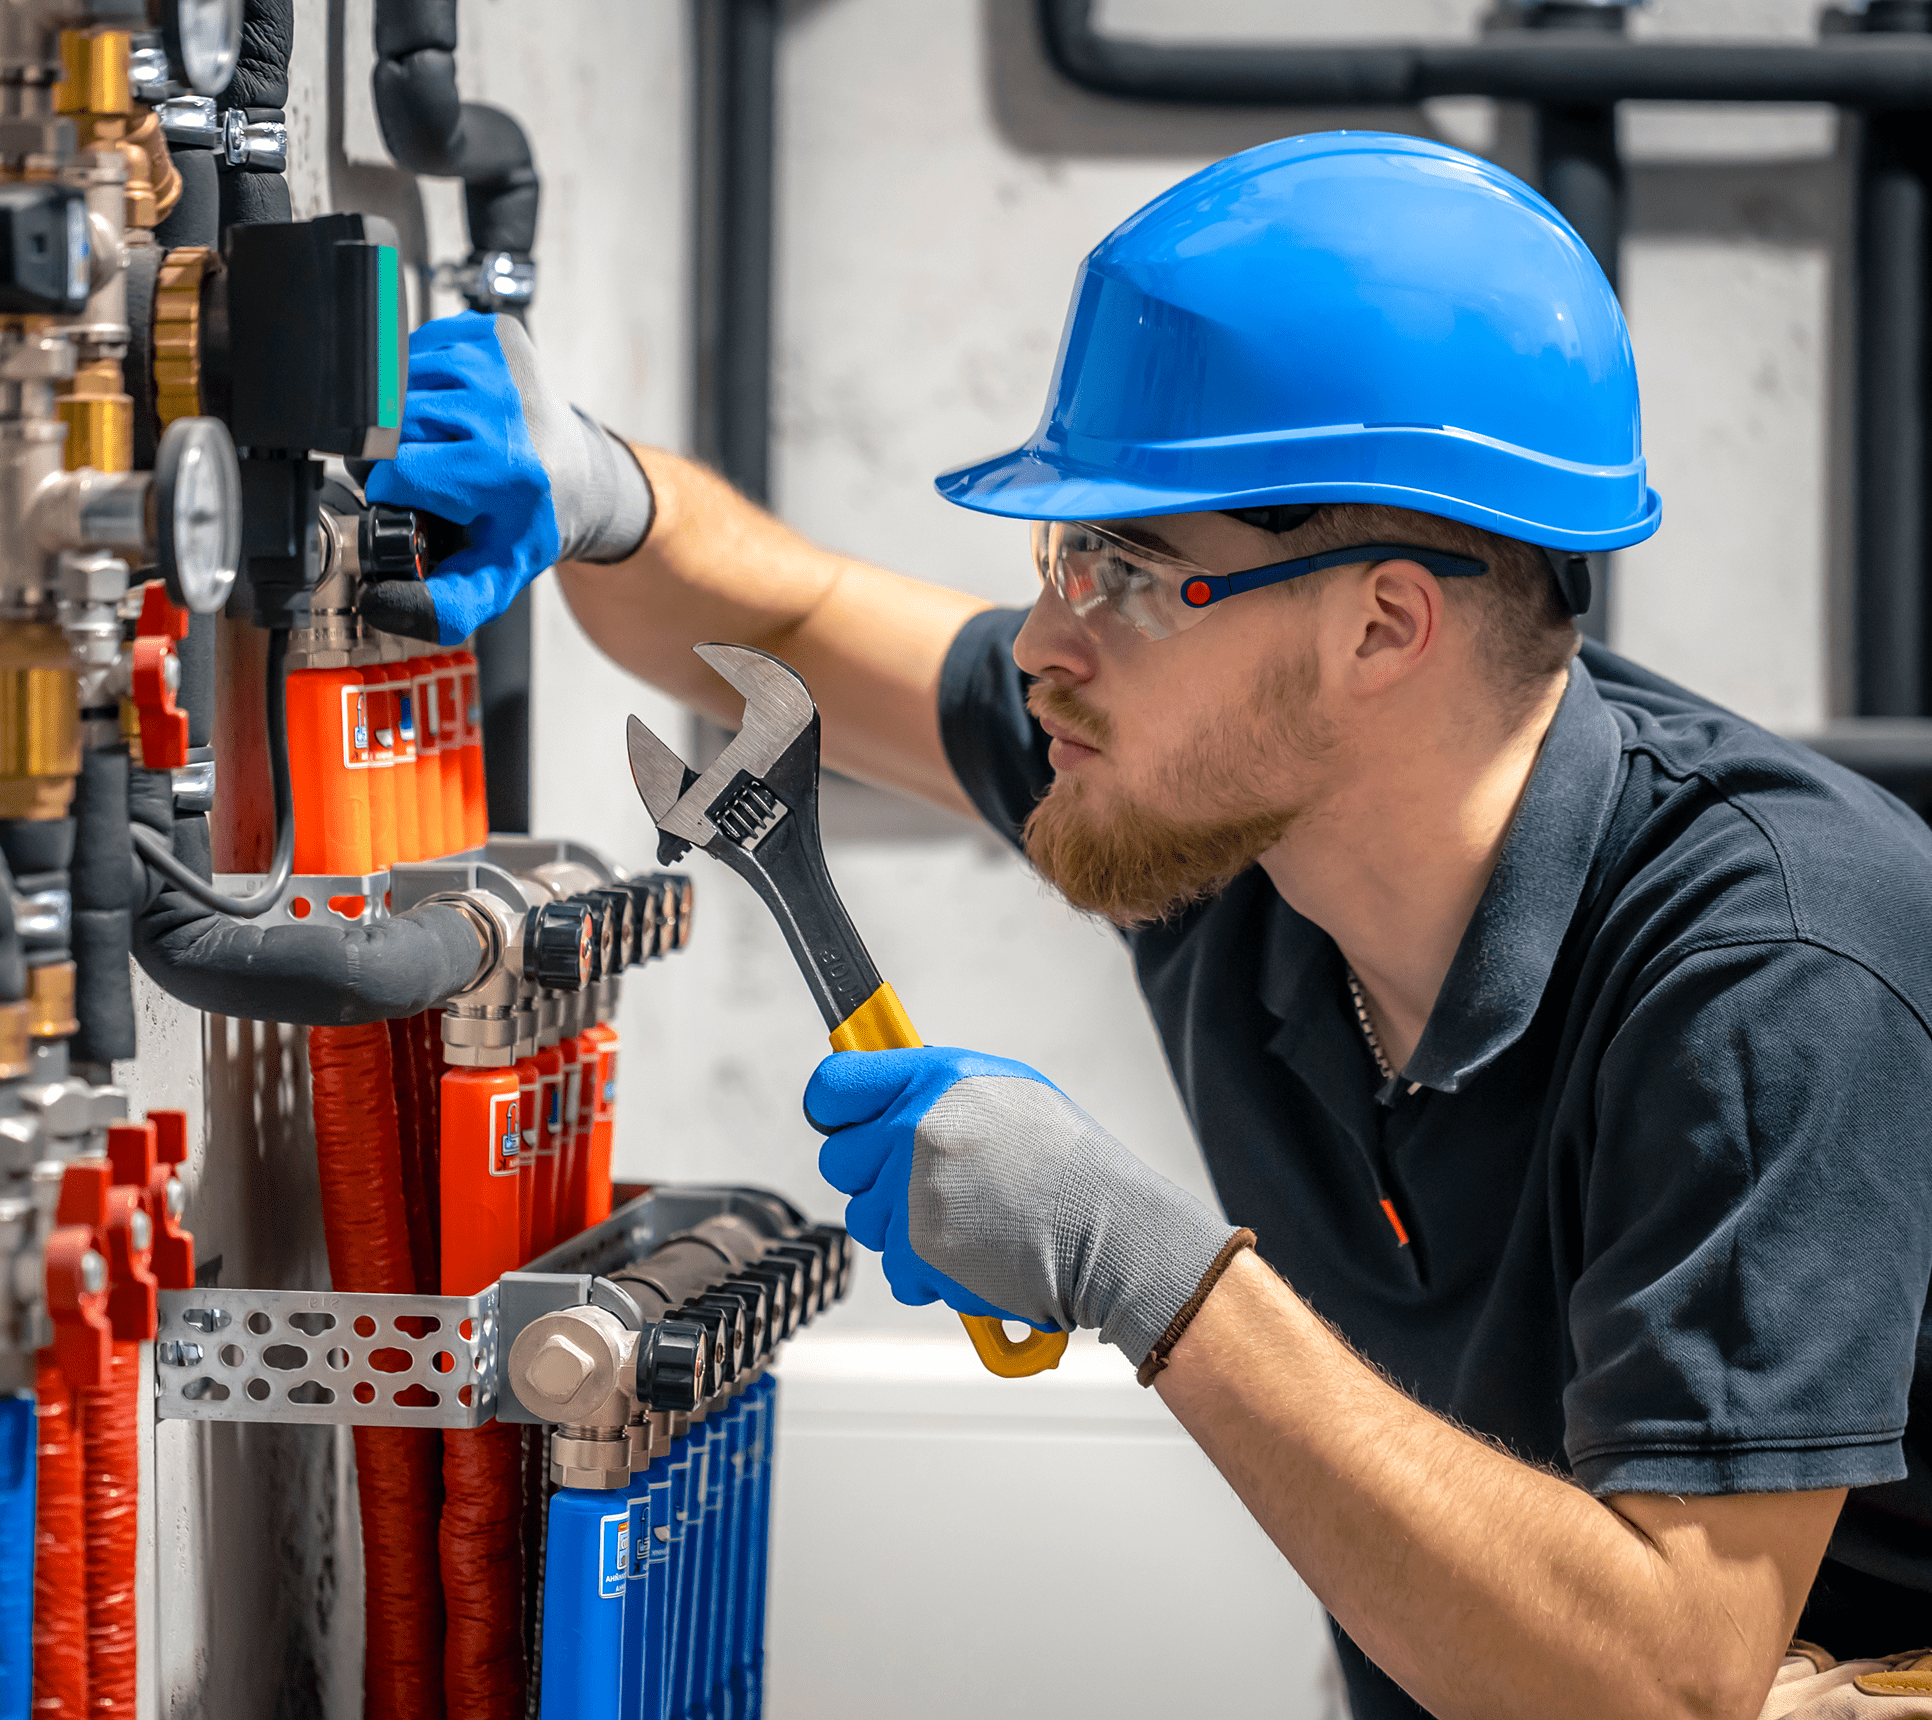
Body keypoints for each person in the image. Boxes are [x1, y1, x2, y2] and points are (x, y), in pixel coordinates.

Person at [367, 133, 1932, 1720]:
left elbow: (1666, 1686)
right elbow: (782, 619)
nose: (1042, 644)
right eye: (1064, 556)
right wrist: (605, 493)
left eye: (1123, 568)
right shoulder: (1230, 812)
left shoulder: (1776, 975)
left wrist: (1150, 1269)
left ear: (1382, 624)